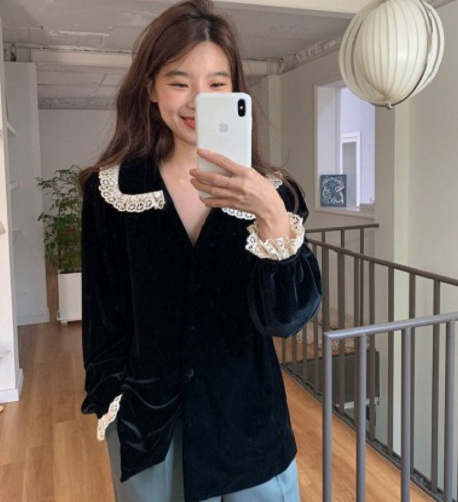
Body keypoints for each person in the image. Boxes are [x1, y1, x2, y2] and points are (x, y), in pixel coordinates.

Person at [79, 1, 322, 501]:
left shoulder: (274, 192)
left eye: (216, 83)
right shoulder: (112, 191)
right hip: (151, 431)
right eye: (178, 81)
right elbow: (104, 318)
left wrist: (270, 213)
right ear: (150, 88)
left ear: (235, 92)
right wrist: (114, 401)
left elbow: (287, 320)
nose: (197, 100)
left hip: (250, 429)